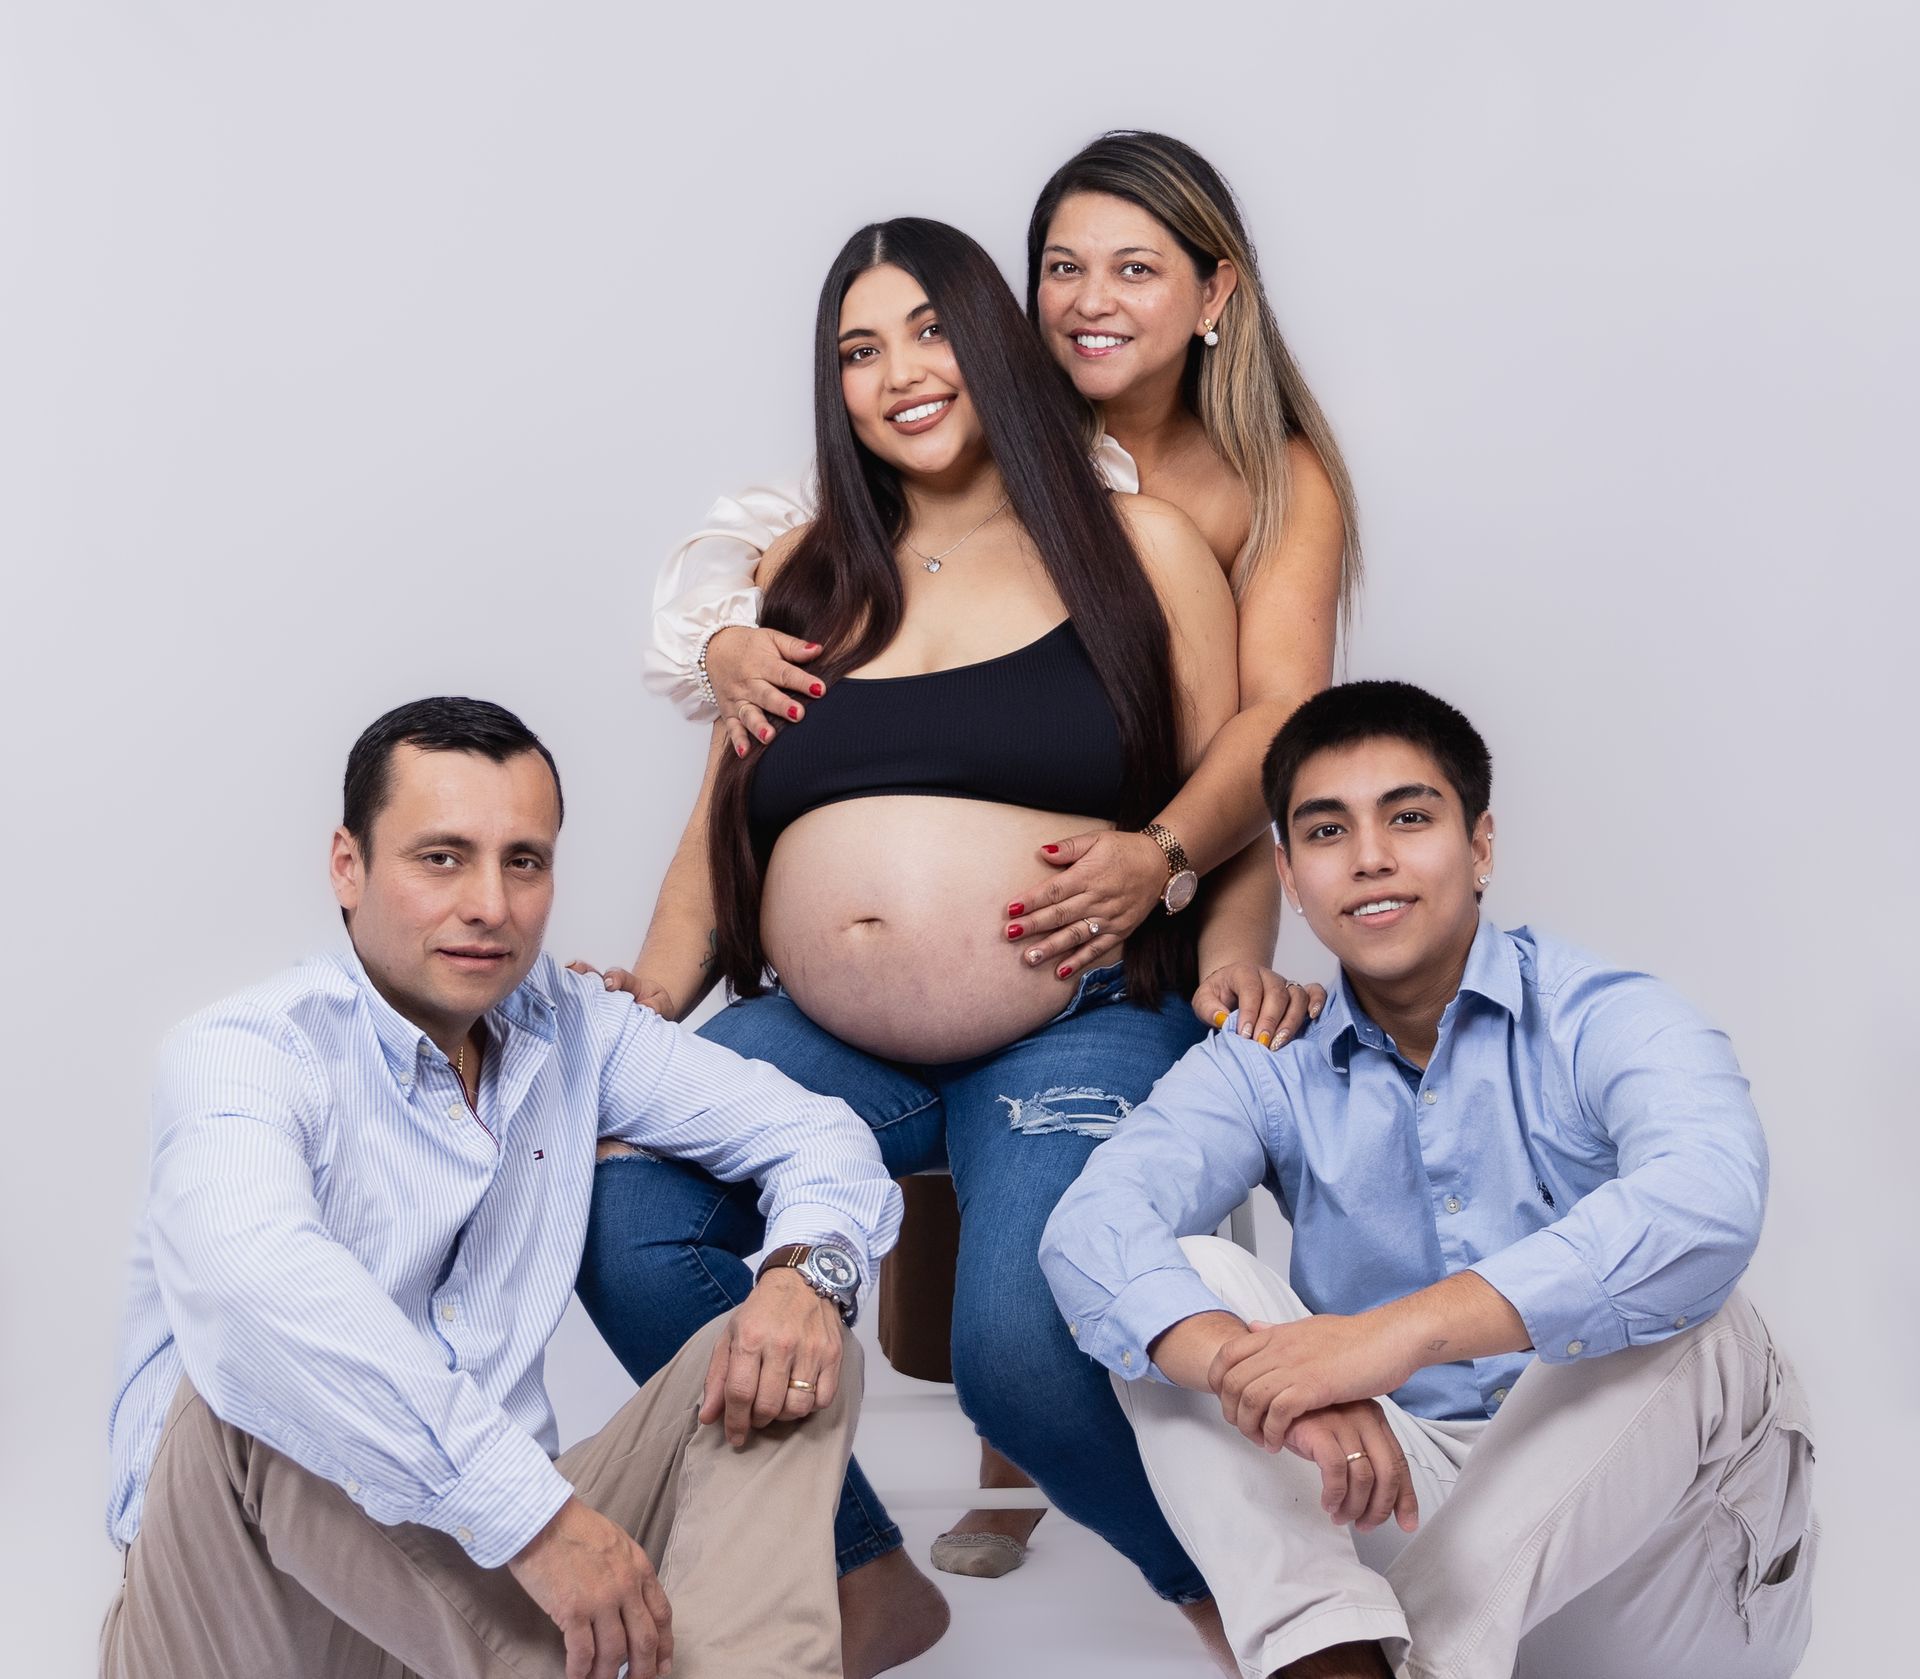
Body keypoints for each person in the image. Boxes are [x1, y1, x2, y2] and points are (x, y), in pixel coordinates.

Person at [637, 125, 1349, 1567]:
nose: (901, 371)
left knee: (1015, 1342)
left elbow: (1263, 746)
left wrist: (1210, 944)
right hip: (830, 1030)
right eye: (860, 350)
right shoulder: (814, 560)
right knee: (609, 1194)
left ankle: (1276, 1607)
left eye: (929, 333)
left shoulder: (1182, 526)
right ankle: (858, 1567)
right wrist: (636, 1012)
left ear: (1214, 291)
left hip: (1073, 1006)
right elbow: (720, 816)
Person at [102, 696, 903, 1679]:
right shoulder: (246, 1050)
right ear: (348, 867)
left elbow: (819, 1133)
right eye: (441, 857)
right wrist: (536, 1519)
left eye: (523, 860)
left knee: (793, 1341)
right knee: (259, 1365)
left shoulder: (577, 1029)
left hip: (490, 1588)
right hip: (259, 1613)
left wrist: (799, 1276)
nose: (490, 903)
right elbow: (248, 1283)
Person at [1040, 680, 1817, 1679]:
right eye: (1327, 830)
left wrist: (1379, 1341)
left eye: (1410, 816)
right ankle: (1331, 1659)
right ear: (1286, 870)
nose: (1370, 856)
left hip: (1655, 1569)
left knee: (1700, 1307)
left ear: (1480, 845)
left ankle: (1426, 1658)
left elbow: (1709, 1197)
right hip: (1396, 1502)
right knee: (1190, 1277)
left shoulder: (1602, 1014)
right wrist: (1271, 1379)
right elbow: (1091, 1227)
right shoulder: (1270, 1054)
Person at [644, 127, 1354, 1040]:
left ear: (1213, 291)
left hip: (1102, 951)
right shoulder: (969, 421)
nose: (1090, 301)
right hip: (846, 1004)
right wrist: (720, 638)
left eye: (1135, 269)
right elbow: (782, 531)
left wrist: (1199, 914)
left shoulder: (1258, 487)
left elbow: (1259, 746)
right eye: (1063, 267)